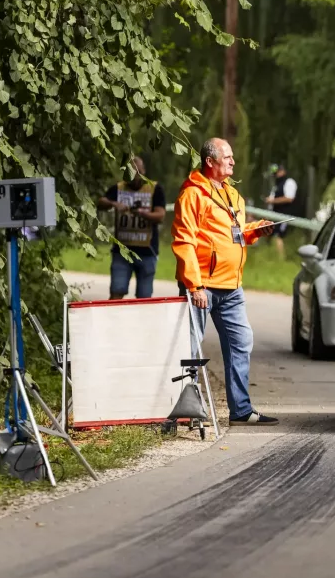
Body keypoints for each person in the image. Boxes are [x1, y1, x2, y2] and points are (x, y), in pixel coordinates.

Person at [171, 139, 279, 426]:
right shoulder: (192, 194)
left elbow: (234, 232)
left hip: (231, 287)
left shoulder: (232, 194)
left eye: (232, 157)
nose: (233, 161)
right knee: (190, 349)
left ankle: (240, 410)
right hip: (202, 287)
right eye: (227, 157)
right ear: (210, 161)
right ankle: (187, 412)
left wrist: (255, 231)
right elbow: (184, 241)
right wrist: (194, 286)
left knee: (241, 342)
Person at [97, 156, 165, 300]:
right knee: (116, 292)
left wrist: (143, 214)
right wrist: (113, 204)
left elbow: (160, 216)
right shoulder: (118, 188)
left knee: (144, 298)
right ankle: (114, 316)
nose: (135, 177)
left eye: (138, 172)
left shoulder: (155, 189)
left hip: (147, 252)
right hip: (121, 251)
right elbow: (101, 202)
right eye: (131, 173)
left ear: (143, 171)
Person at [263, 163, 299, 260]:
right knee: (268, 233)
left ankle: (281, 259)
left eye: (278, 172)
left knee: (278, 236)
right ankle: (268, 257)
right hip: (274, 214)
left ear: (283, 171)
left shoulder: (289, 182)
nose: (276, 175)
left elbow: (289, 198)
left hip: (285, 215)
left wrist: (272, 200)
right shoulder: (276, 186)